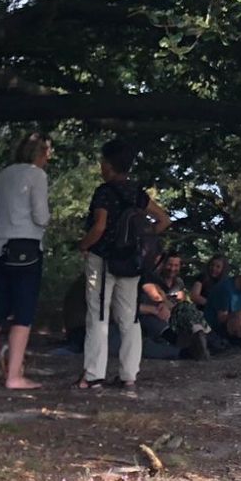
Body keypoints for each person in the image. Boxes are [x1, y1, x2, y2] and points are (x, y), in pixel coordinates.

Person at [79, 140, 171, 394]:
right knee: (129, 318)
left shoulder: (105, 192)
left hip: (105, 259)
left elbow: (99, 227)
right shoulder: (137, 193)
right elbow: (164, 219)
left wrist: (83, 245)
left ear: (108, 165)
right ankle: (129, 375)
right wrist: (144, 238)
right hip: (132, 263)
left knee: (98, 315)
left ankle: (94, 375)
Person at [0, 132, 53, 390]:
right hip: (25, 246)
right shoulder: (36, 175)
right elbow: (40, 215)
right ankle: (14, 375)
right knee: (24, 311)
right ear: (40, 154)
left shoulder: (5, 174)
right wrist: (47, 219)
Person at [140, 251, 212, 360]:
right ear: (163, 264)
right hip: (158, 316)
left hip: (175, 315)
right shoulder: (152, 280)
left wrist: (173, 302)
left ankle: (201, 338)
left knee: (187, 308)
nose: (172, 268)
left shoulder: (178, 282)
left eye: (176, 265)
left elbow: (179, 301)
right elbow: (156, 301)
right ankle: (201, 341)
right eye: (169, 264)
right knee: (184, 309)